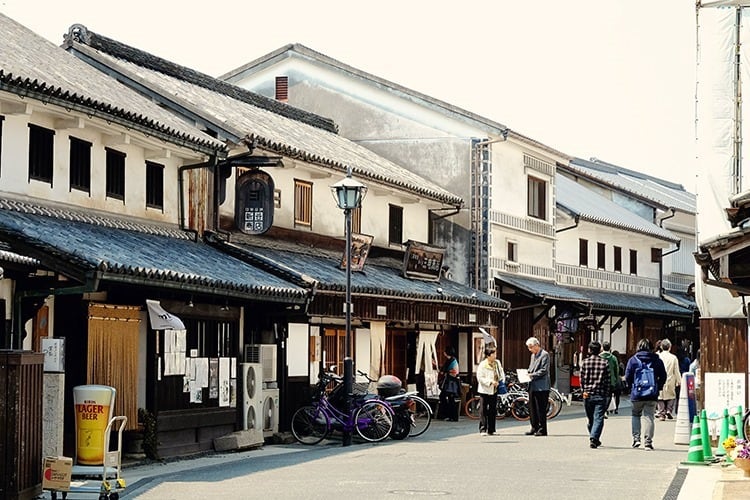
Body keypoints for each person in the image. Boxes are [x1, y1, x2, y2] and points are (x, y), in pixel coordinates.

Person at [625, 338, 667, 450]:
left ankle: (636, 439)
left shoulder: (633, 360)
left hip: (637, 393)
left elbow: (628, 376)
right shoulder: (657, 360)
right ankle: (648, 442)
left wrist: (631, 387)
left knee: (636, 415)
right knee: (649, 416)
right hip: (652, 393)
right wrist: (659, 387)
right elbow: (663, 376)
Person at [581, 341, 611, 449]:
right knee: (598, 417)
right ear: (600, 350)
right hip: (600, 394)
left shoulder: (585, 362)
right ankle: (594, 438)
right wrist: (607, 394)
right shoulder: (604, 363)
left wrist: (583, 391)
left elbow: (582, 379)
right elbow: (607, 380)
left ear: (589, 350)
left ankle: (593, 437)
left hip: (587, 394)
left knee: (591, 418)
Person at [525, 337, 550, 437]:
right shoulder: (532, 356)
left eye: (531, 347)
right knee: (532, 408)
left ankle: (542, 429)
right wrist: (526, 373)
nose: (530, 349)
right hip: (532, 385)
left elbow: (544, 370)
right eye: (528, 347)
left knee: (541, 409)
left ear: (537, 345)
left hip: (542, 386)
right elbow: (531, 368)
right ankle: (534, 427)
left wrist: (532, 375)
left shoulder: (545, 355)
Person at [476, 348, 504, 435]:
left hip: (494, 390)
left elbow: (501, 372)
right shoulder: (483, 365)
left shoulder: (497, 363)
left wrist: (501, 381)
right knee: (483, 410)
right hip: (485, 390)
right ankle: (483, 429)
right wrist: (490, 382)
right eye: (493, 354)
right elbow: (480, 377)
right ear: (488, 355)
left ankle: (491, 429)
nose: (495, 356)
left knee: (492, 409)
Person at [656, 339, 681, 421]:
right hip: (670, 379)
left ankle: (661, 413)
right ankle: (669, 410)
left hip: (659, 379)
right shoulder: (673, 358)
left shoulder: (658, 356)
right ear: (670, 347)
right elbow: (676, 371)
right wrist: (679, 381)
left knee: (660, 397)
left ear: (661, 347)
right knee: (672, 396)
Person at [438, 346, 460, 422]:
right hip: (452, 382)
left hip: (450, 382)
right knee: (450, 399)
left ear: (446, 353)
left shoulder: (450, 361)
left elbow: (446, 371)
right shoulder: (453, 360)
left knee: (447, 398)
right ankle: (452, 416)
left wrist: (444, 372)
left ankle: (450, 415)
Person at [599, 341, 619, 417]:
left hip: (600, 380)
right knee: (609, 396)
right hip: (611, 380)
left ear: (602, 348)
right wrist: (616, 379)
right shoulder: (613, 358)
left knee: (601, 395)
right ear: (610, 348)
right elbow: (616, 370)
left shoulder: (599, 357)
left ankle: (601, 410)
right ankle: (605, 410)